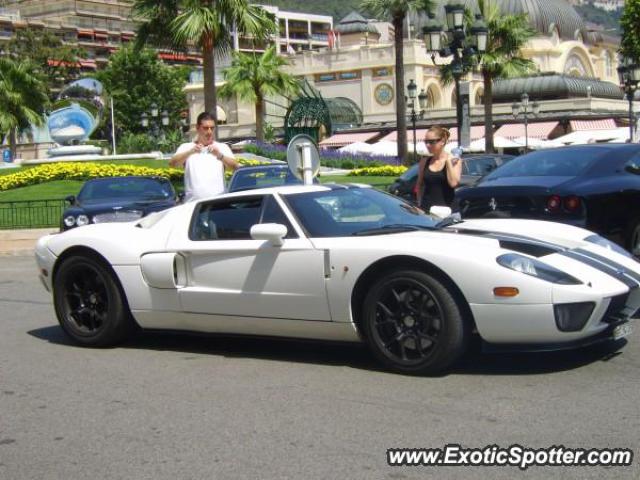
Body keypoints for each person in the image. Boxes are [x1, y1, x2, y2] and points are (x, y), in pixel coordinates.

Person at [170, 112, 239, 202]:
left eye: (212, 128)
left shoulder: (222, 147)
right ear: (198, 128)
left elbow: (235, 167)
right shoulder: (186, 147)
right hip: (193, 205)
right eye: (206, 128)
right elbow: (172, 164)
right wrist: (190, 152)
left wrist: (219, 155)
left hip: (217, 204)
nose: (209, 132)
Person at [415, 126, 462, 211]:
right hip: (427, 211)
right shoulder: (424, 161)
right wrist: (419, 203)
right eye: (426, 142)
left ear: (442, 141)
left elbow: (454, 183)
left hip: (448, 212)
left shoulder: (453, 160)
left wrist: (448, 163)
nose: (428, 145)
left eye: (431, 142)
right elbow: (419, 184)